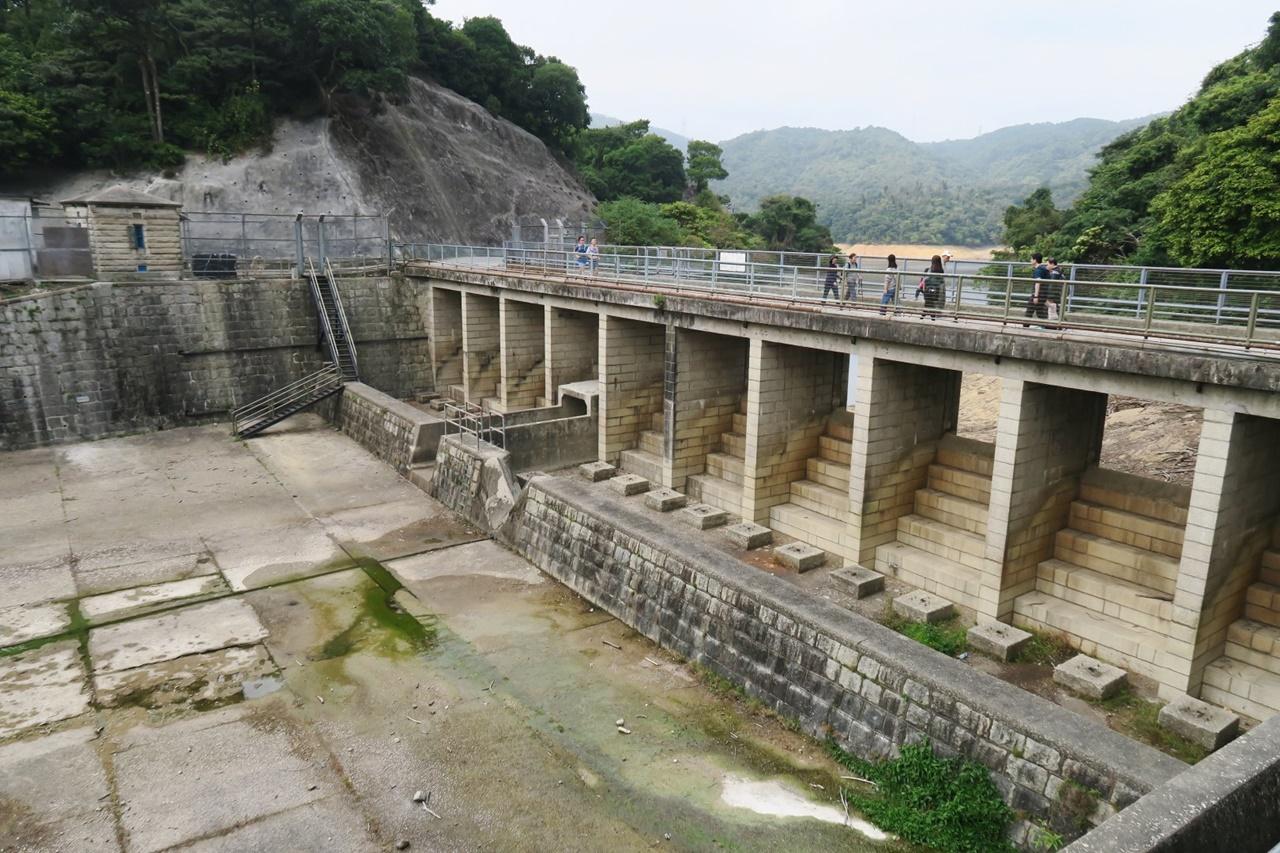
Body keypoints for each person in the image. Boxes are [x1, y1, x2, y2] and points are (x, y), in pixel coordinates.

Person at [1024, 252, 1049, 324]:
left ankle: (1025, 328)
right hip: (1043, 294)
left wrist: (1036, 296)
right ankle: (1051, 327)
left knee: (1029, 311)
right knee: (1040, 312)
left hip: (1038, 294)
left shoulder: (1038, 270)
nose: (1030, 261)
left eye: (1031, 259)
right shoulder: (1043, 268)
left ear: (1035, 260)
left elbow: (1038, 282)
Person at [922, 254, 945, 319]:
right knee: (931, 302)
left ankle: (925, 314)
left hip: (928, 289)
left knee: (928, 302)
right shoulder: (941, 270)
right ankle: (931, 315)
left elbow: (925, 279)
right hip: (936, 290)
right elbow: (941, 281)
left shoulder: (928, 269)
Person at [1045, 257, 1064, 325]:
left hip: (1054, 293)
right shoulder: (1058, 270)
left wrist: (1049, 296)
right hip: (1059, 292)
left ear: (1052, 264)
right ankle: (1061, 322)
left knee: (1052, 308)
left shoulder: (1054, 272)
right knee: (1055, 308)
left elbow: (1052, 285)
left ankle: (1054, 324)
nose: (1046, 266)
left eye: (1047, 264)